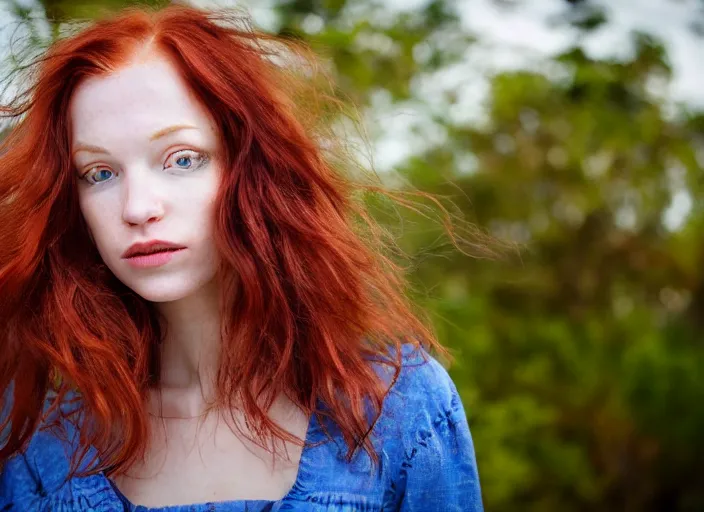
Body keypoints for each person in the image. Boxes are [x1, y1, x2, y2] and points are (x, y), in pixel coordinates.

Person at [0, 4, 484, 511]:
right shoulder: (39, 438)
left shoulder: (398, 409)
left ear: (252, 171)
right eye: (99, 173)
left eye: (182, 159)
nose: (138, 208)